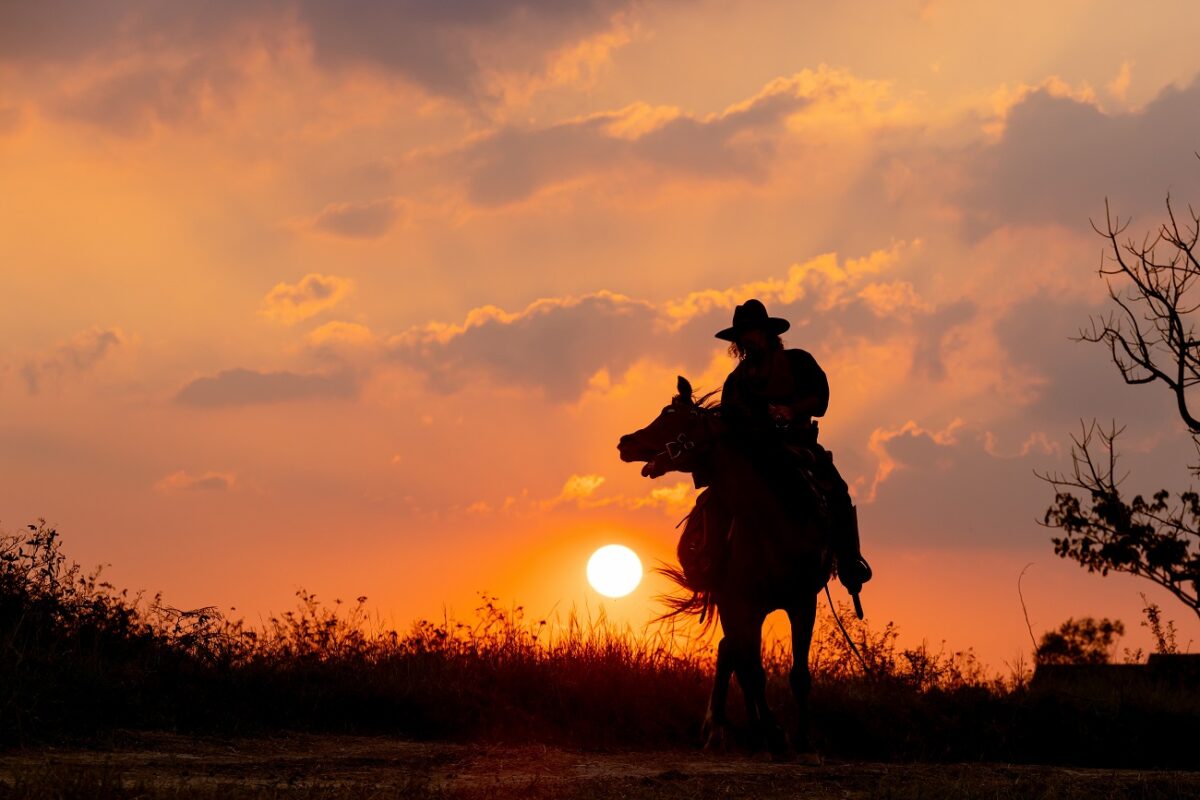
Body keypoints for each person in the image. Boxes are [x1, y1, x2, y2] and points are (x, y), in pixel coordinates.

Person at [714, 299, 872, 598]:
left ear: (767, 333)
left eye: (752, 332)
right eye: (743, 335)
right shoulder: (735, 381)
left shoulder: (799, 362)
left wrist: (791, 410)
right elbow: (727, 421)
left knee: (837, 491)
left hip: (798, 445)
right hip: (752, 455)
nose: (747, 339)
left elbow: (820, 399)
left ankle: (849, 561)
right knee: (715, 497)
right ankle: (709, 565)